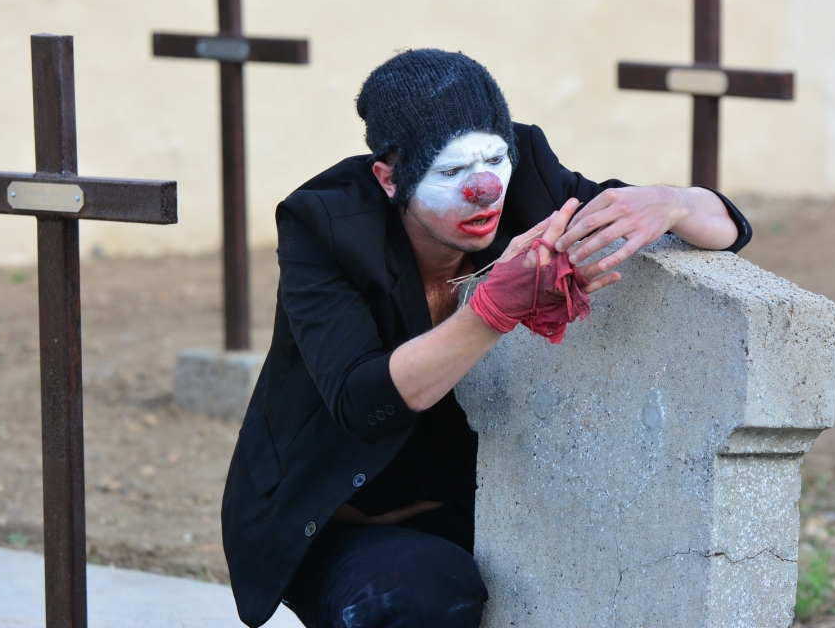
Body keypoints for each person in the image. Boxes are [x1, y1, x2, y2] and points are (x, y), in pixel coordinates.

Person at [221, 49, 751, 628]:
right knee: (420, 594)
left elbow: (728, 229)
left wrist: (672, 201)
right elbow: (362, 403)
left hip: (471, 502)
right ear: (389, 175)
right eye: (450, 173)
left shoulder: (529, 182)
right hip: (336, 515)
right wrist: (495, 307)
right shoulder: (323, 226)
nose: (484, 190)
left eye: (495, 160)